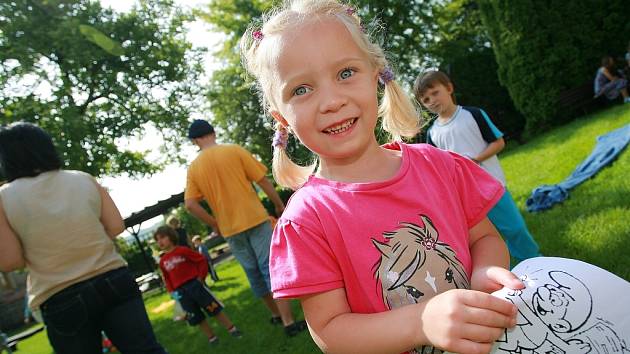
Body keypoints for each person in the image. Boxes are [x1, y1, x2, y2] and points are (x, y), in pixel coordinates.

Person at [239, 1, 523, 353]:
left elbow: (485, 239)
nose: (331, 101)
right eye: (301, 90)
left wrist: (484, 273)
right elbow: (330, 331)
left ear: (376, 74)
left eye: (345, 73)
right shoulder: (305, 221)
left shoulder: (439, 166)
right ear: (281, 118)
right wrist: (421, 322)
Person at [0, 122, 165, 354]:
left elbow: (10, 261)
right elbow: (116, 226)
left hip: (59, 295)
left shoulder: (3, 198)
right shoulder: (82, 178)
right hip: (113, 279)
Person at [184, 119, 307, 336]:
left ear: (195, 141)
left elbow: (190, 204)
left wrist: (215, 223)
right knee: (269, 269)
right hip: (256, 219)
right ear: (213, 132)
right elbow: (262, 180)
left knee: (253, 274)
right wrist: (278, 203)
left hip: (230, 229)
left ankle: (276, 314)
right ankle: (289, 322)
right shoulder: (233, 150)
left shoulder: (194, 168)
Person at [414, 70, 542, 263]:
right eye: (425, 99)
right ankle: (499, 271)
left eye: (435, 93)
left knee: (515, 228)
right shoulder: (432, 134)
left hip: (491, 186)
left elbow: (498, 142)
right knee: (482, 240)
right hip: (464, 197)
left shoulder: (473, 114)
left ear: (449, 88)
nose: (431, 100)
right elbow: (436, 168)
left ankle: (535, 262)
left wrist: (474, 160)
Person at [153, 226, 241, 345]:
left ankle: (232, 329)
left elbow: (201, 260)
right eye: (157, 240)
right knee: (197, 317)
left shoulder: (183, 250)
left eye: (162, 237)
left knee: (213, 308)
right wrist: (172, 293)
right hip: (181, 292)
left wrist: (201, 277)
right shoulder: (163, 261)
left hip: (195, 286)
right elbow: (167, 279)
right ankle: (212, 338)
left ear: (171, 236)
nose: (160, 242)